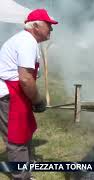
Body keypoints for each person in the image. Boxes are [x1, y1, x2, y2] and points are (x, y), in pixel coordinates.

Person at [0, 9, 57, 179]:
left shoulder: (27, 40)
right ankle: (21, 176)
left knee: (24, 132)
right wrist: (38, 100)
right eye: (49, 26)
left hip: (17, 93)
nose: (51, 30)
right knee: (16, 139)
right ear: (36, 26)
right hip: (8, 95)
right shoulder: (26, 42)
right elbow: (25, 79)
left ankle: (27, 172)